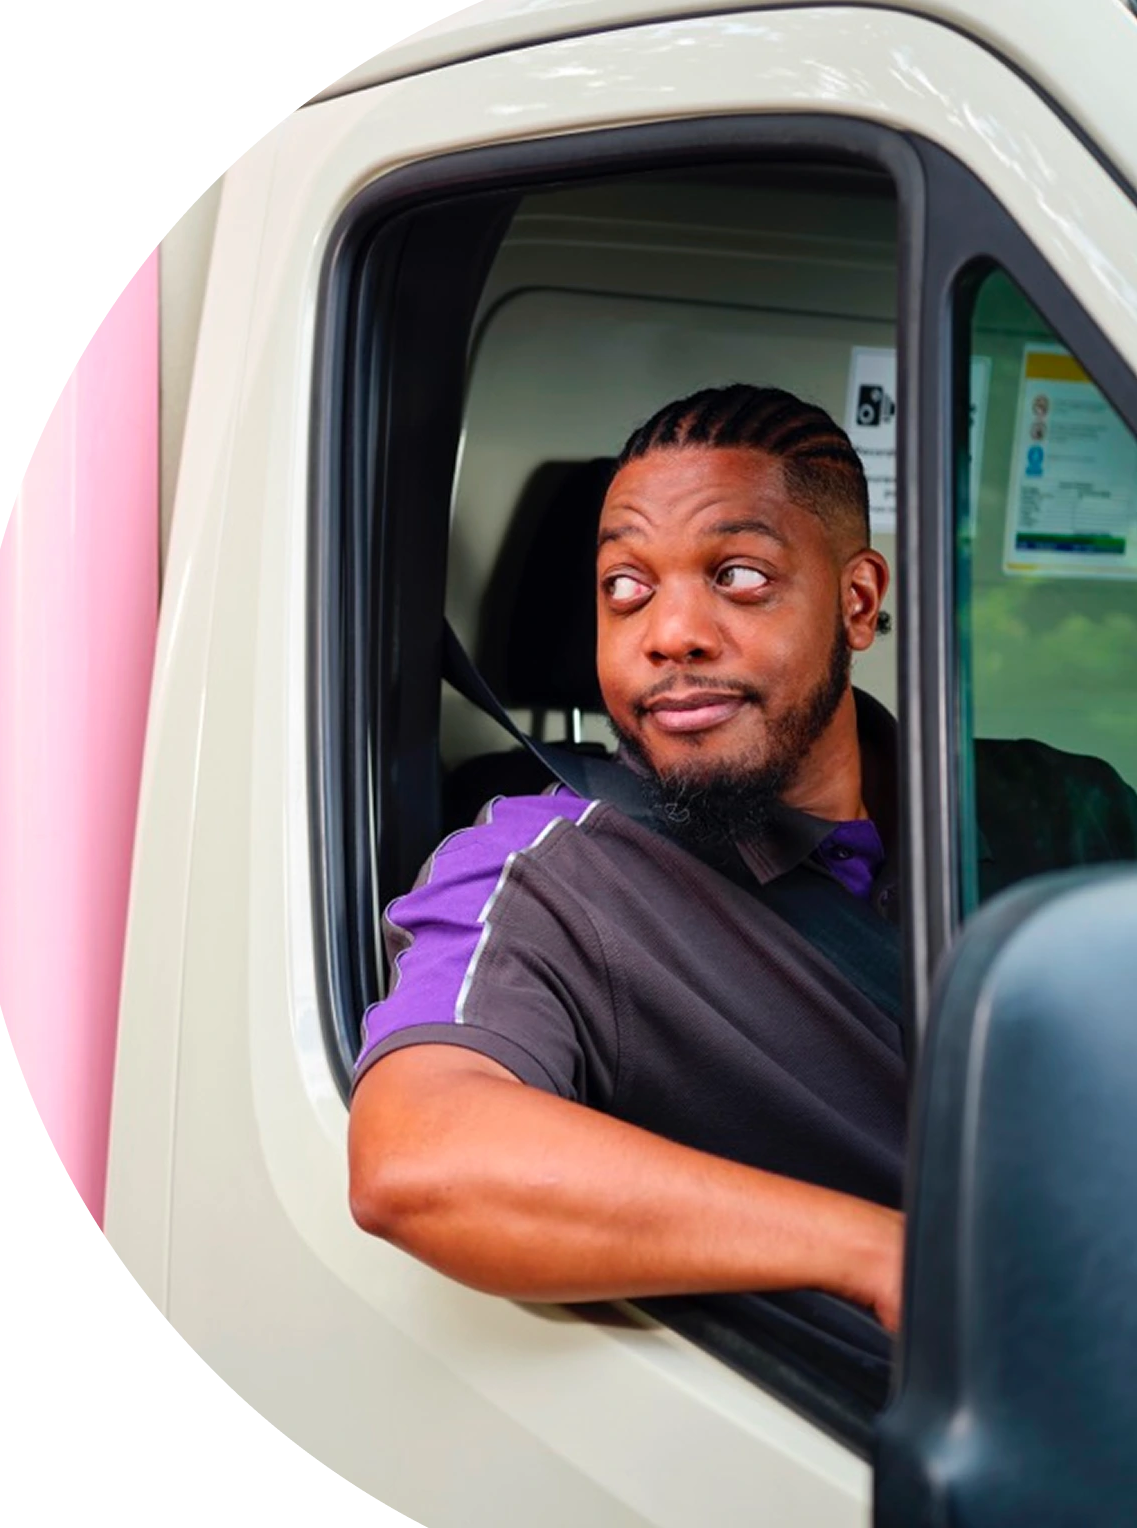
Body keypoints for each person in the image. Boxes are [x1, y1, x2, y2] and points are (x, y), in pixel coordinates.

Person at [347, 384, 1137, 1341]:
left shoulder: (1060, 806)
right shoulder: (547, 875)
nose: (669, 633)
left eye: (739, 576)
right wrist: (885, 1255)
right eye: (625, 588)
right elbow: (419, 1157)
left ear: (857, 602)